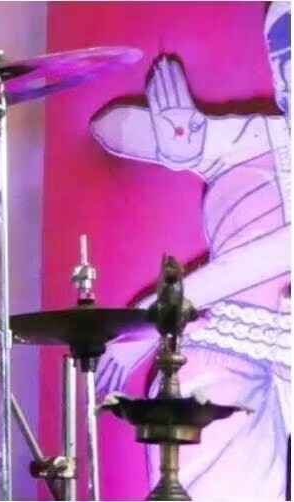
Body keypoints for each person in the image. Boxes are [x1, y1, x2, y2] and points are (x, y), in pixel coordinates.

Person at [89, 2, 290, 499]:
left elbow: (275, 253)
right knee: (203, 406)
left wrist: (155, 314)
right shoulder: (256, 136)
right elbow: (107, 127)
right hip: (233, 354)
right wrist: (173, 141)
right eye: (286, 62)